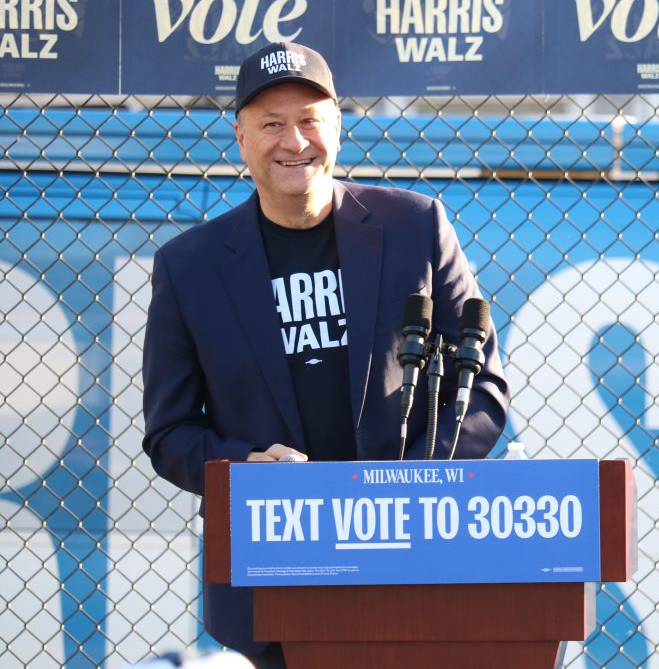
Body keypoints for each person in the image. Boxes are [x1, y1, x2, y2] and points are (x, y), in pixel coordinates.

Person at [141, 41, 509, 666]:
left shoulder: (417, 226)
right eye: (272, 124)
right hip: (277, 573)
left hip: (412, 559)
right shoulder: (188, 267)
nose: (295, 141)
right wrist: (245, 469)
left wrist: (412, 488)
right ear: (240, 138)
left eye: (310, 119)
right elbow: (170, 433)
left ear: (338, 126)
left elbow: (483, 393)